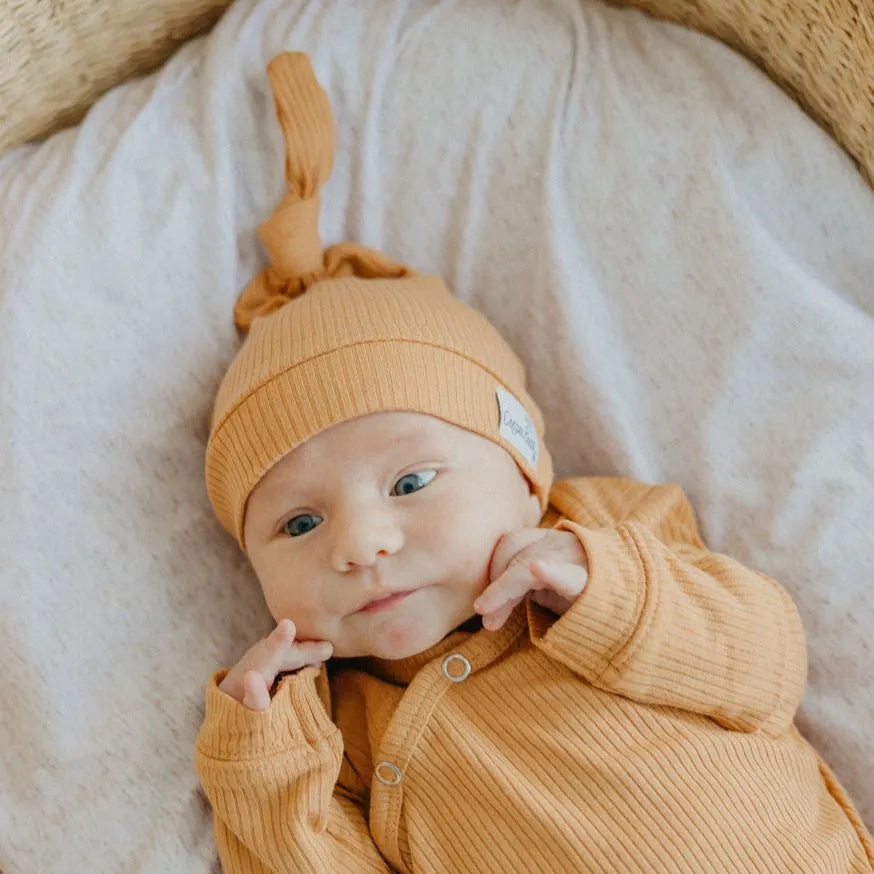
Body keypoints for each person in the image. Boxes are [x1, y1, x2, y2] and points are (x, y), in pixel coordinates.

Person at [195, 53, 874, 874]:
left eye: (411, 483)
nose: (362, 543)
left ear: (524, 474)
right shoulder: (341, 730)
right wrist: (263, 765)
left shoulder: (610, 532)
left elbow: (768, 666)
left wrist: (607, 589)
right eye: (299, 522)